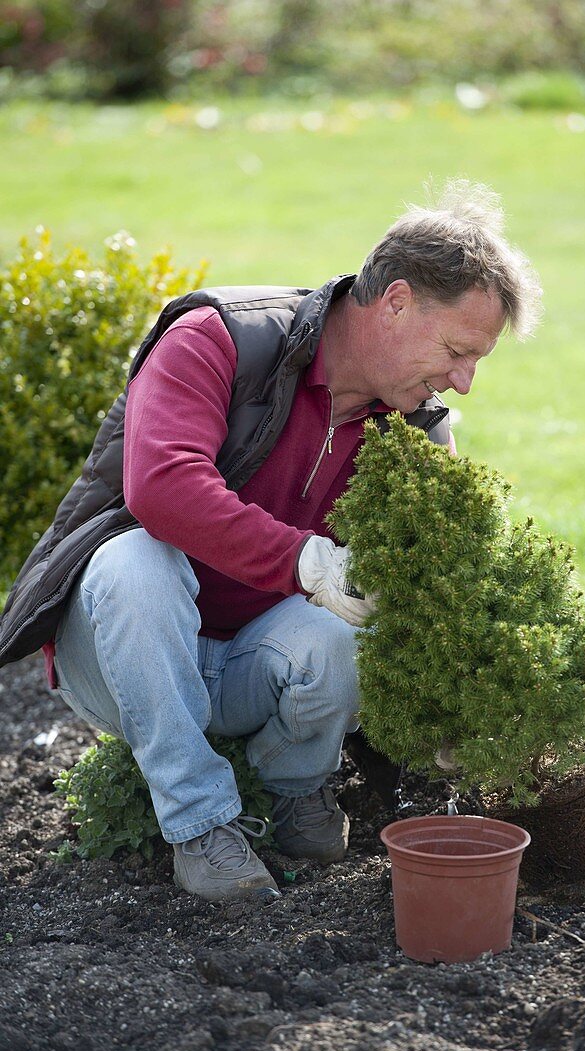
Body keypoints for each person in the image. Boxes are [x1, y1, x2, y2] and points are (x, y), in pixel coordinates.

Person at [0, 179, 542, 903]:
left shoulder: (416, 428)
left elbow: (435, 584)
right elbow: (161, 487)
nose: (465, 382)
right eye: (456, 350)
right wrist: (306, 562)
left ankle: (298, 790)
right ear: (397, 301)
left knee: (348, 624)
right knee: (135, 560)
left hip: (251, 663)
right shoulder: (222, 337)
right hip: (123, 652)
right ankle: (201, 828)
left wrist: (455, 709)